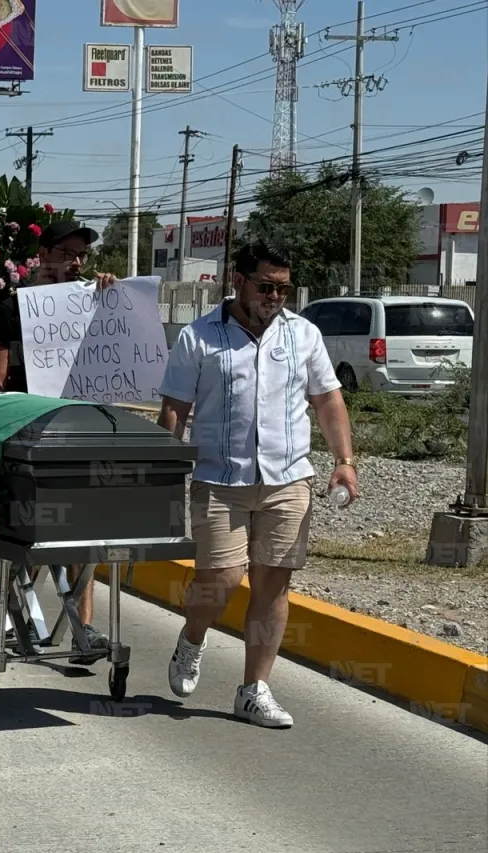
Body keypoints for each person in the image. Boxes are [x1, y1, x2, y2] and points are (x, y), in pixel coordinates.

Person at [158, 240, 359, 729]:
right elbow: (175, 410)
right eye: (266, 286)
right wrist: (162, 470)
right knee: (220, 579)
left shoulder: (303, 335)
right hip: (218, 478)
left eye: (284, 289)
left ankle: (254, 690)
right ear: (238, 281)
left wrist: (344, 460)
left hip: (288, 478)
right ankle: (193, 638)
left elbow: (328, 401)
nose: (275, 297)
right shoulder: (199, 337)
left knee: (272, 582)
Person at [0, 219, 117, 664]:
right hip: (28, 435)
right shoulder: (10, 310)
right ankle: (7, 610)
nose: (76, 262)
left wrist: (112, 297)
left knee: (83, 530)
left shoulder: (95, 300)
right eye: (66, 253)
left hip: (80, 430)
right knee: (31, 531)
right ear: (43, 255)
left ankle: (84, 629)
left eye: (81, 255)